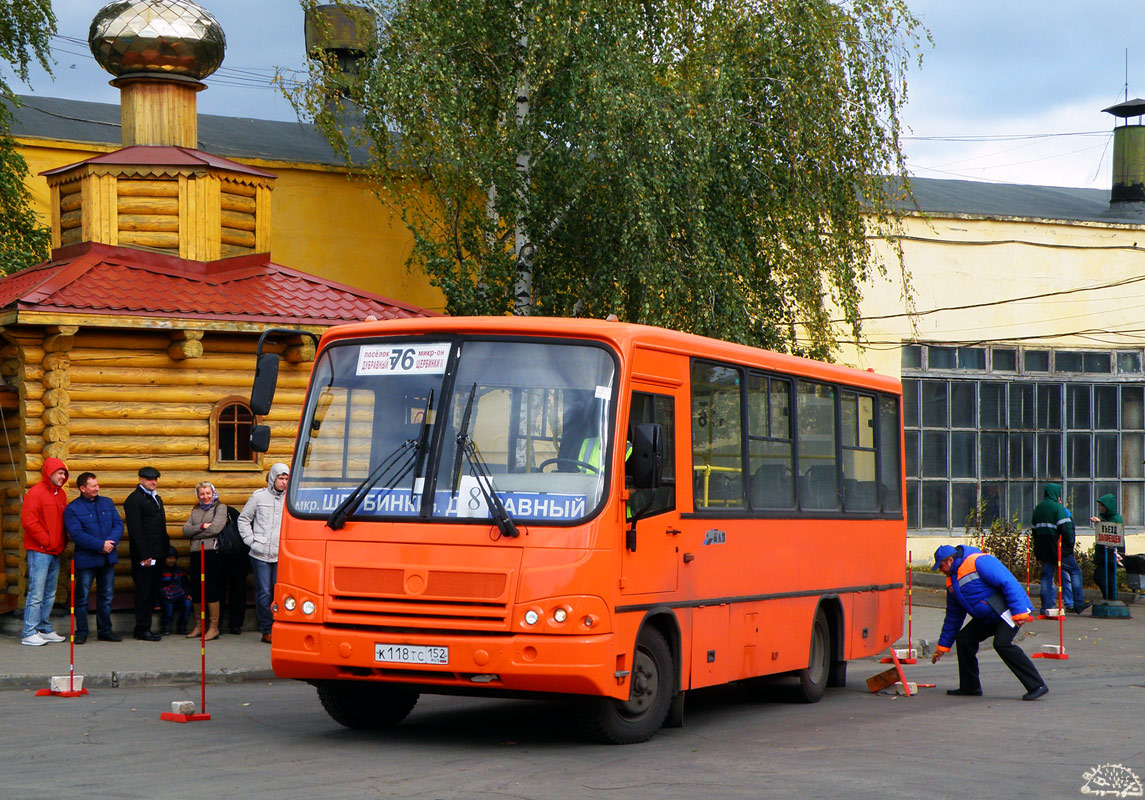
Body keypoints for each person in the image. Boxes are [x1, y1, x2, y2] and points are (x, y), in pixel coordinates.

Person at [930, 544, 1048, 701]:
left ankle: (1037, 685)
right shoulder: (951, 582)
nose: (941, 570)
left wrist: (1019, 612)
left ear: (950, 560)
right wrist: (942, 647)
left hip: (1007, 612)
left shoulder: (979, 561)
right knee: (964, 639)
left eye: (941, 565)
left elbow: (1008, 582)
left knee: (1002, 644)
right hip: (987, 617)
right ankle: (970, 687)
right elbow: (953, 616)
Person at [63, 472, 123, 644]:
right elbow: (76, 534)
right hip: (86, 560)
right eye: (93, 485)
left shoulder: (107, 502)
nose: (97, 488)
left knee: (106, 596)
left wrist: (110, 543)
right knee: (82, 597)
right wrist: (100, 545)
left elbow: (118, 524)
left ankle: (105, 630)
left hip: (107, 558)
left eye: (97, 485)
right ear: (82, 488)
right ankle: (82, 631)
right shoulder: (73, 509)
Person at [20, 457, 70, 646]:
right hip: (40, 551)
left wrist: (60, 542)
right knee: (36, 593)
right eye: (59, 473)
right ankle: (28, 632)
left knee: (50, 592)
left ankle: (43, 627)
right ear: (49, 473)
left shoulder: (61, 494)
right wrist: (46, 541)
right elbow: (29, 522)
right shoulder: (36, 493)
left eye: (64, 473)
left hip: (55, 550)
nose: (62, 476)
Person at [239, 463, 289, 644]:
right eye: (280, 478)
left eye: (286, 479)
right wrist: (252, 542)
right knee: (264, 593)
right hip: (259, 554)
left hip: (280, 554)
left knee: (279, 593)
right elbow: (243, 519)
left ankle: (280, 628)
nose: (283, 482)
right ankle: (267, 630)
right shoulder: (259, 497)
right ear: (272, 479)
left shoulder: (290, 499)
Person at [123, 465, 169, 641]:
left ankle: (145, 627)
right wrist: (144, 555)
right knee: (143, 592)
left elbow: (160, 526)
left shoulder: (156, 498)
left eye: (155, 479)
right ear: (140, 479)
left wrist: (165, 550)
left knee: (151, 592)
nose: (153, 482)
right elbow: (136, 531)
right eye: (149, 479)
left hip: (158, 553)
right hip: (145, 555)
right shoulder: (134, 500)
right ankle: (142, 628)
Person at [1031, 483, 1087, 615]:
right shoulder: (1058, 508)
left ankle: (1046, 607)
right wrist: (1069, 544)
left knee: (1046, 577)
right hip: (1058, 549)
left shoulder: (1037, 509)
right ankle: (1078, 602)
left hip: (1043, 549)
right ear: (1056, 494)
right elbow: (1066, 530)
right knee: (1075, 571)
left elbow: (1034, 531)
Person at [182, 481, 227, 640]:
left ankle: (214, 627)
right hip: (196, 553)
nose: (205, 496)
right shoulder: (195, 510)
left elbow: (216, 528)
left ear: (213, 493)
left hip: (211, 553)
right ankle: (199, 626)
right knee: (196, 589)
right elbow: (185, 530)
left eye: (208, 493)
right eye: (202, 494)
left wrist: (196, 534)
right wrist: (201, 527)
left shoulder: (220, 507)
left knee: (211, 588)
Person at [1091, 493, 1125, 601]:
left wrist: (1100, 523)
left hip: (1112, 552)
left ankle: (1110, 598)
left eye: (1103, 506)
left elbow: (1114, 531)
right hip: (1103, 552)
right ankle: (1109, 598)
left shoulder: (1116, 518)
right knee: (1103, 576)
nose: (1101, 508)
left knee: (1105, 577)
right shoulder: (1104, 517)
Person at [158, 546, 193, 635]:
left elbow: (186, 584)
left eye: (174, 558)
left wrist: (188, 594)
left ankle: (182, 626)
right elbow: (156, 588)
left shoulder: (180, 570)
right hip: (165, 597)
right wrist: (156, 603)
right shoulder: (160, 571)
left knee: (187, 604)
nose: (172, 560)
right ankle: (166, 626)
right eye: (169, 558)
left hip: (179, 596)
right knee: (168, 605)